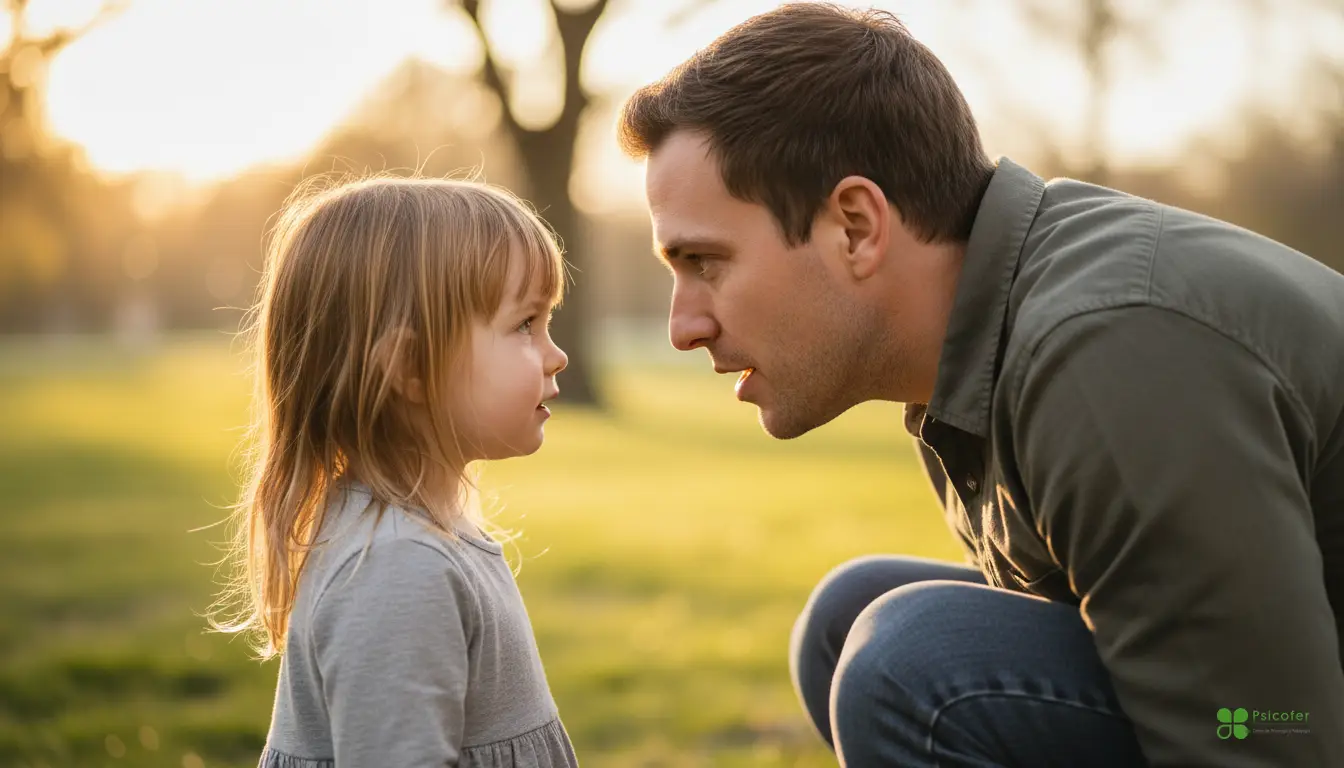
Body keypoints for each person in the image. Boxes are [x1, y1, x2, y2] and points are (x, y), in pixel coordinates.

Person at [616, 3, 1344, 766]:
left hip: (1283, 722)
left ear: (857, 227)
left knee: (911, 665)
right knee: (850, 618)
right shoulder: (978, 343)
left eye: (706, 263)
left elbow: (1265, 732)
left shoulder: (1103, 359)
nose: (683, 326)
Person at [210, 176, 579, 767]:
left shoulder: (423, 541)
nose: (557, 354)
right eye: (524, 324)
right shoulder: (398, 566)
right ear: (409, 367)